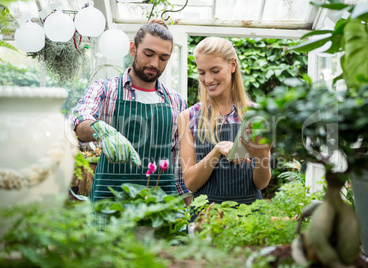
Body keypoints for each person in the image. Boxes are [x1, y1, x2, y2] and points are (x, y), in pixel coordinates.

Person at [69, 19, 190, 203]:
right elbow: (78, 120)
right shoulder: (105, 90)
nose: (155, 63)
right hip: (110, 201)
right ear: (133, 49)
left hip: (160, 205)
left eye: (163, 58)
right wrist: (102, 130)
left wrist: (186, 208)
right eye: (148, 54)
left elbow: (179, 161)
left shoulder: (177, 101)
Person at [178, 37, 271, 206]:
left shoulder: (255, 115)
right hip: (205, 219)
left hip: (248, 218)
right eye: (202, 72)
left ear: (233, 65)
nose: (207, 80)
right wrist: (216, 151)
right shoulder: (189, 117)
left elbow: (261, 184)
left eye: (215, 70)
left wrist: (263, 157)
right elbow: (190, 183)